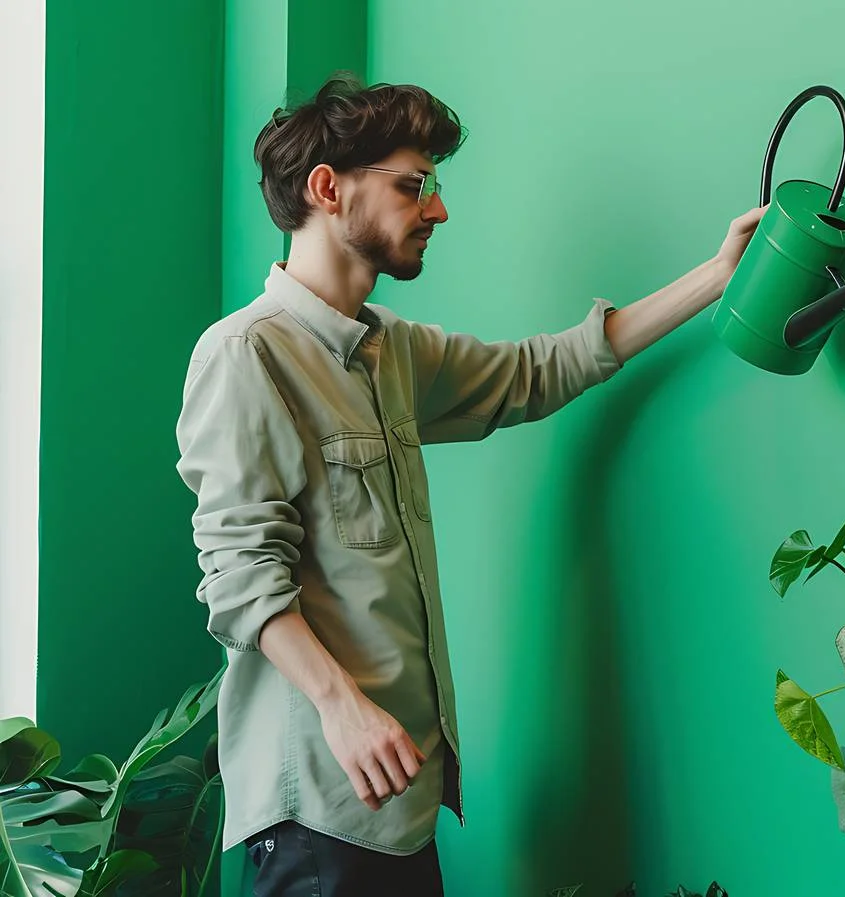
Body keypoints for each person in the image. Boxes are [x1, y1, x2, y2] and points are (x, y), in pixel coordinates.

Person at [174, 74, 763, 896]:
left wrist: (717, 276)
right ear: (328, 189)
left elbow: (537, 371)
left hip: (406, 804)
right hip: (320, 812)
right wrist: (343, 707)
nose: (438, 210)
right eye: (414, 186)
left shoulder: (392, 350)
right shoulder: (245, 354)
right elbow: (241, 577)